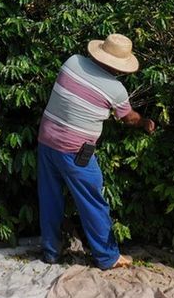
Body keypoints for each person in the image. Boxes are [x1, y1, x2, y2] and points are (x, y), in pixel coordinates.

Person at [36, 33, 156, 270]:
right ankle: (107, 257)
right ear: (120, 66)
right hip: (75, 150)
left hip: (46, 140)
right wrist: (144, 122)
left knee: (50, 198)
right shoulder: (116, 90)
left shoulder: (72, 62)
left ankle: (51, 252)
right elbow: (128, 118)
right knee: (93, 202)